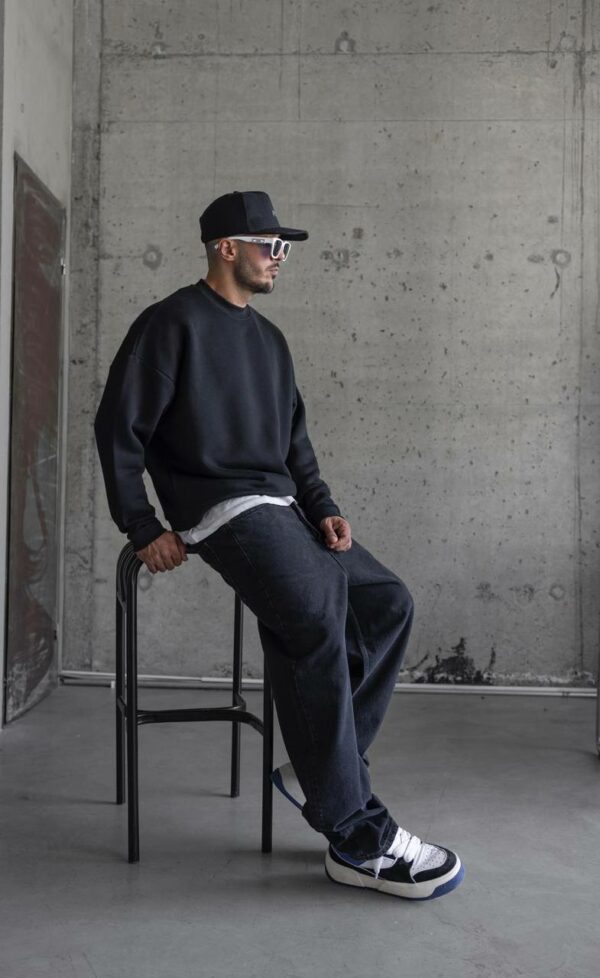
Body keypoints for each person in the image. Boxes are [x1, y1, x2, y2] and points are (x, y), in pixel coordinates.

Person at [94, 190, 464, 900]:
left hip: (284, 507)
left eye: (284, 248)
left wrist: (324, 509)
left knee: (387, 601)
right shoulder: (170, 323)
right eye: (271, 246)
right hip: (219, 508)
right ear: (226, 248)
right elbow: (118, 429)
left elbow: (297, 445)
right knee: (315, 609)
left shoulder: (270, 341)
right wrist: (141, 526)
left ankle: (322, 769)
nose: (280, 259)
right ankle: (356, 835)